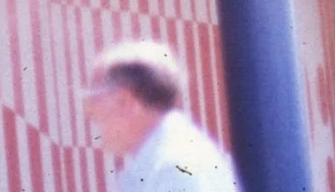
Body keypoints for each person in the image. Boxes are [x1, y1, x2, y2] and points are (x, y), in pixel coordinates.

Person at [81, 42, 241, 192]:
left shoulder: (176, 167)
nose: (88, 110)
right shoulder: (160, 161)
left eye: (94, 97)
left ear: (125, 101)